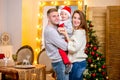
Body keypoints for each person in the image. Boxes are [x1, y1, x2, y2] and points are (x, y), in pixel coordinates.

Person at [58, 10, 88, 80]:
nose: (76, 20)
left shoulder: (79, 32)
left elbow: (73, 49)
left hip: (77, 63)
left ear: (82, 20)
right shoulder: (78, 31)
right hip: (78, 63)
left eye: (79, 18)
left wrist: (66, 35)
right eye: (74, 17)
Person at [44, 8, 69, 80]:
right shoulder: (50, 31)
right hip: (60, 62)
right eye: (54, 16)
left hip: (61, 61)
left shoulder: (56, 28)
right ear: (48, 18)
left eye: (58, 15)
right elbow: (65, 47)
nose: (57, 18)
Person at [58, 6, 73, 74]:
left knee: (61, 50)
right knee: (61, 52)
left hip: (66, 39)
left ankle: (68, 63)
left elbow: (70, 31)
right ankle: (66, 63)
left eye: (65, 14)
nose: (63, 15)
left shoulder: (68, 22)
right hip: (61, 39)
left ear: (68, 15)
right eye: (62, 14)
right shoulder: (60, 22)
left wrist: (64, 30)